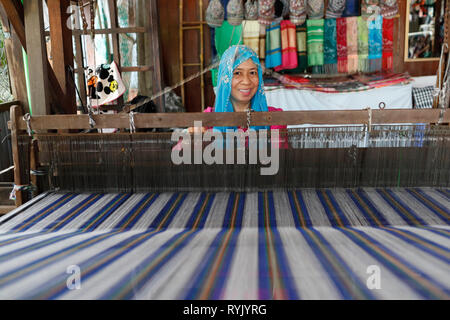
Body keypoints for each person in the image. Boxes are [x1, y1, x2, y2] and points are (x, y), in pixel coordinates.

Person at [188, 44, 286, 133]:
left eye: (252, 73)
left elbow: (280, 152)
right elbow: (179, 150)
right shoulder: (207, 121)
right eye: (237, 73)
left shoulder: (274, 119)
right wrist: (193, 141)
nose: (246, 81)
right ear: (225, 78)